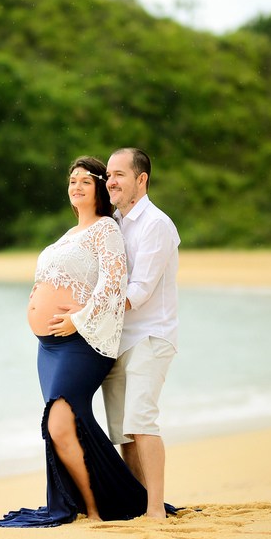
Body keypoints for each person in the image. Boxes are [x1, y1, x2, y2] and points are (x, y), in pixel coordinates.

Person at [0, 156, 153, 527]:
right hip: (49, 348)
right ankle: (90, 503)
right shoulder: (67, 236)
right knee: (64, 424)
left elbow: (113, 283)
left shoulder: (106, 229)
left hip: (82, 343)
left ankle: (94, 509)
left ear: (98, 190)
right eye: (71, 180)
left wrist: (76, 320)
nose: (76, 186)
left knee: (60, 421)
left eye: (85, 182)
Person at [98, 148, 180, 520]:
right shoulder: (113, 222)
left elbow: (139, 290)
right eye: (109, 175)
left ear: (141, 179)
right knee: (123, 433)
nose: (110, 181)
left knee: (141, 422)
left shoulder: (156, 224)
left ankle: (155, 511)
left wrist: (88, 316)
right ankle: (137, 504)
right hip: (117, 339)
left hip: (151, 335)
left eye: (119, 174)